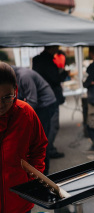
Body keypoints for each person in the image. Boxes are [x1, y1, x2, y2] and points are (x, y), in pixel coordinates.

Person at [0, 62, 48, 213]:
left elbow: (39, 147)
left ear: (16, 90)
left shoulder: (26, 113)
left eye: (7, 97)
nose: (0, 105)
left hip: (19, 201)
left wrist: (31, 181)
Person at [12, 66, 56, 175]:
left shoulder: (24, 76)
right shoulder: (16, 77)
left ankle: (44, 174)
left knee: (39, 139)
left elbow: (32, 101)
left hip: (45, 105)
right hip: (38, 105)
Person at [33, 46, 68, 158]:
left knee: (46, 125)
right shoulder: (46, 61)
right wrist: (64, 74)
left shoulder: (38, 60)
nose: (58, 49)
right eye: (56, 47)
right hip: (50, 98)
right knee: (52, 125)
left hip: (42, 98)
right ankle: (49, 150)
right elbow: (55, 78)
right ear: (52, 48)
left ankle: (46, 150)